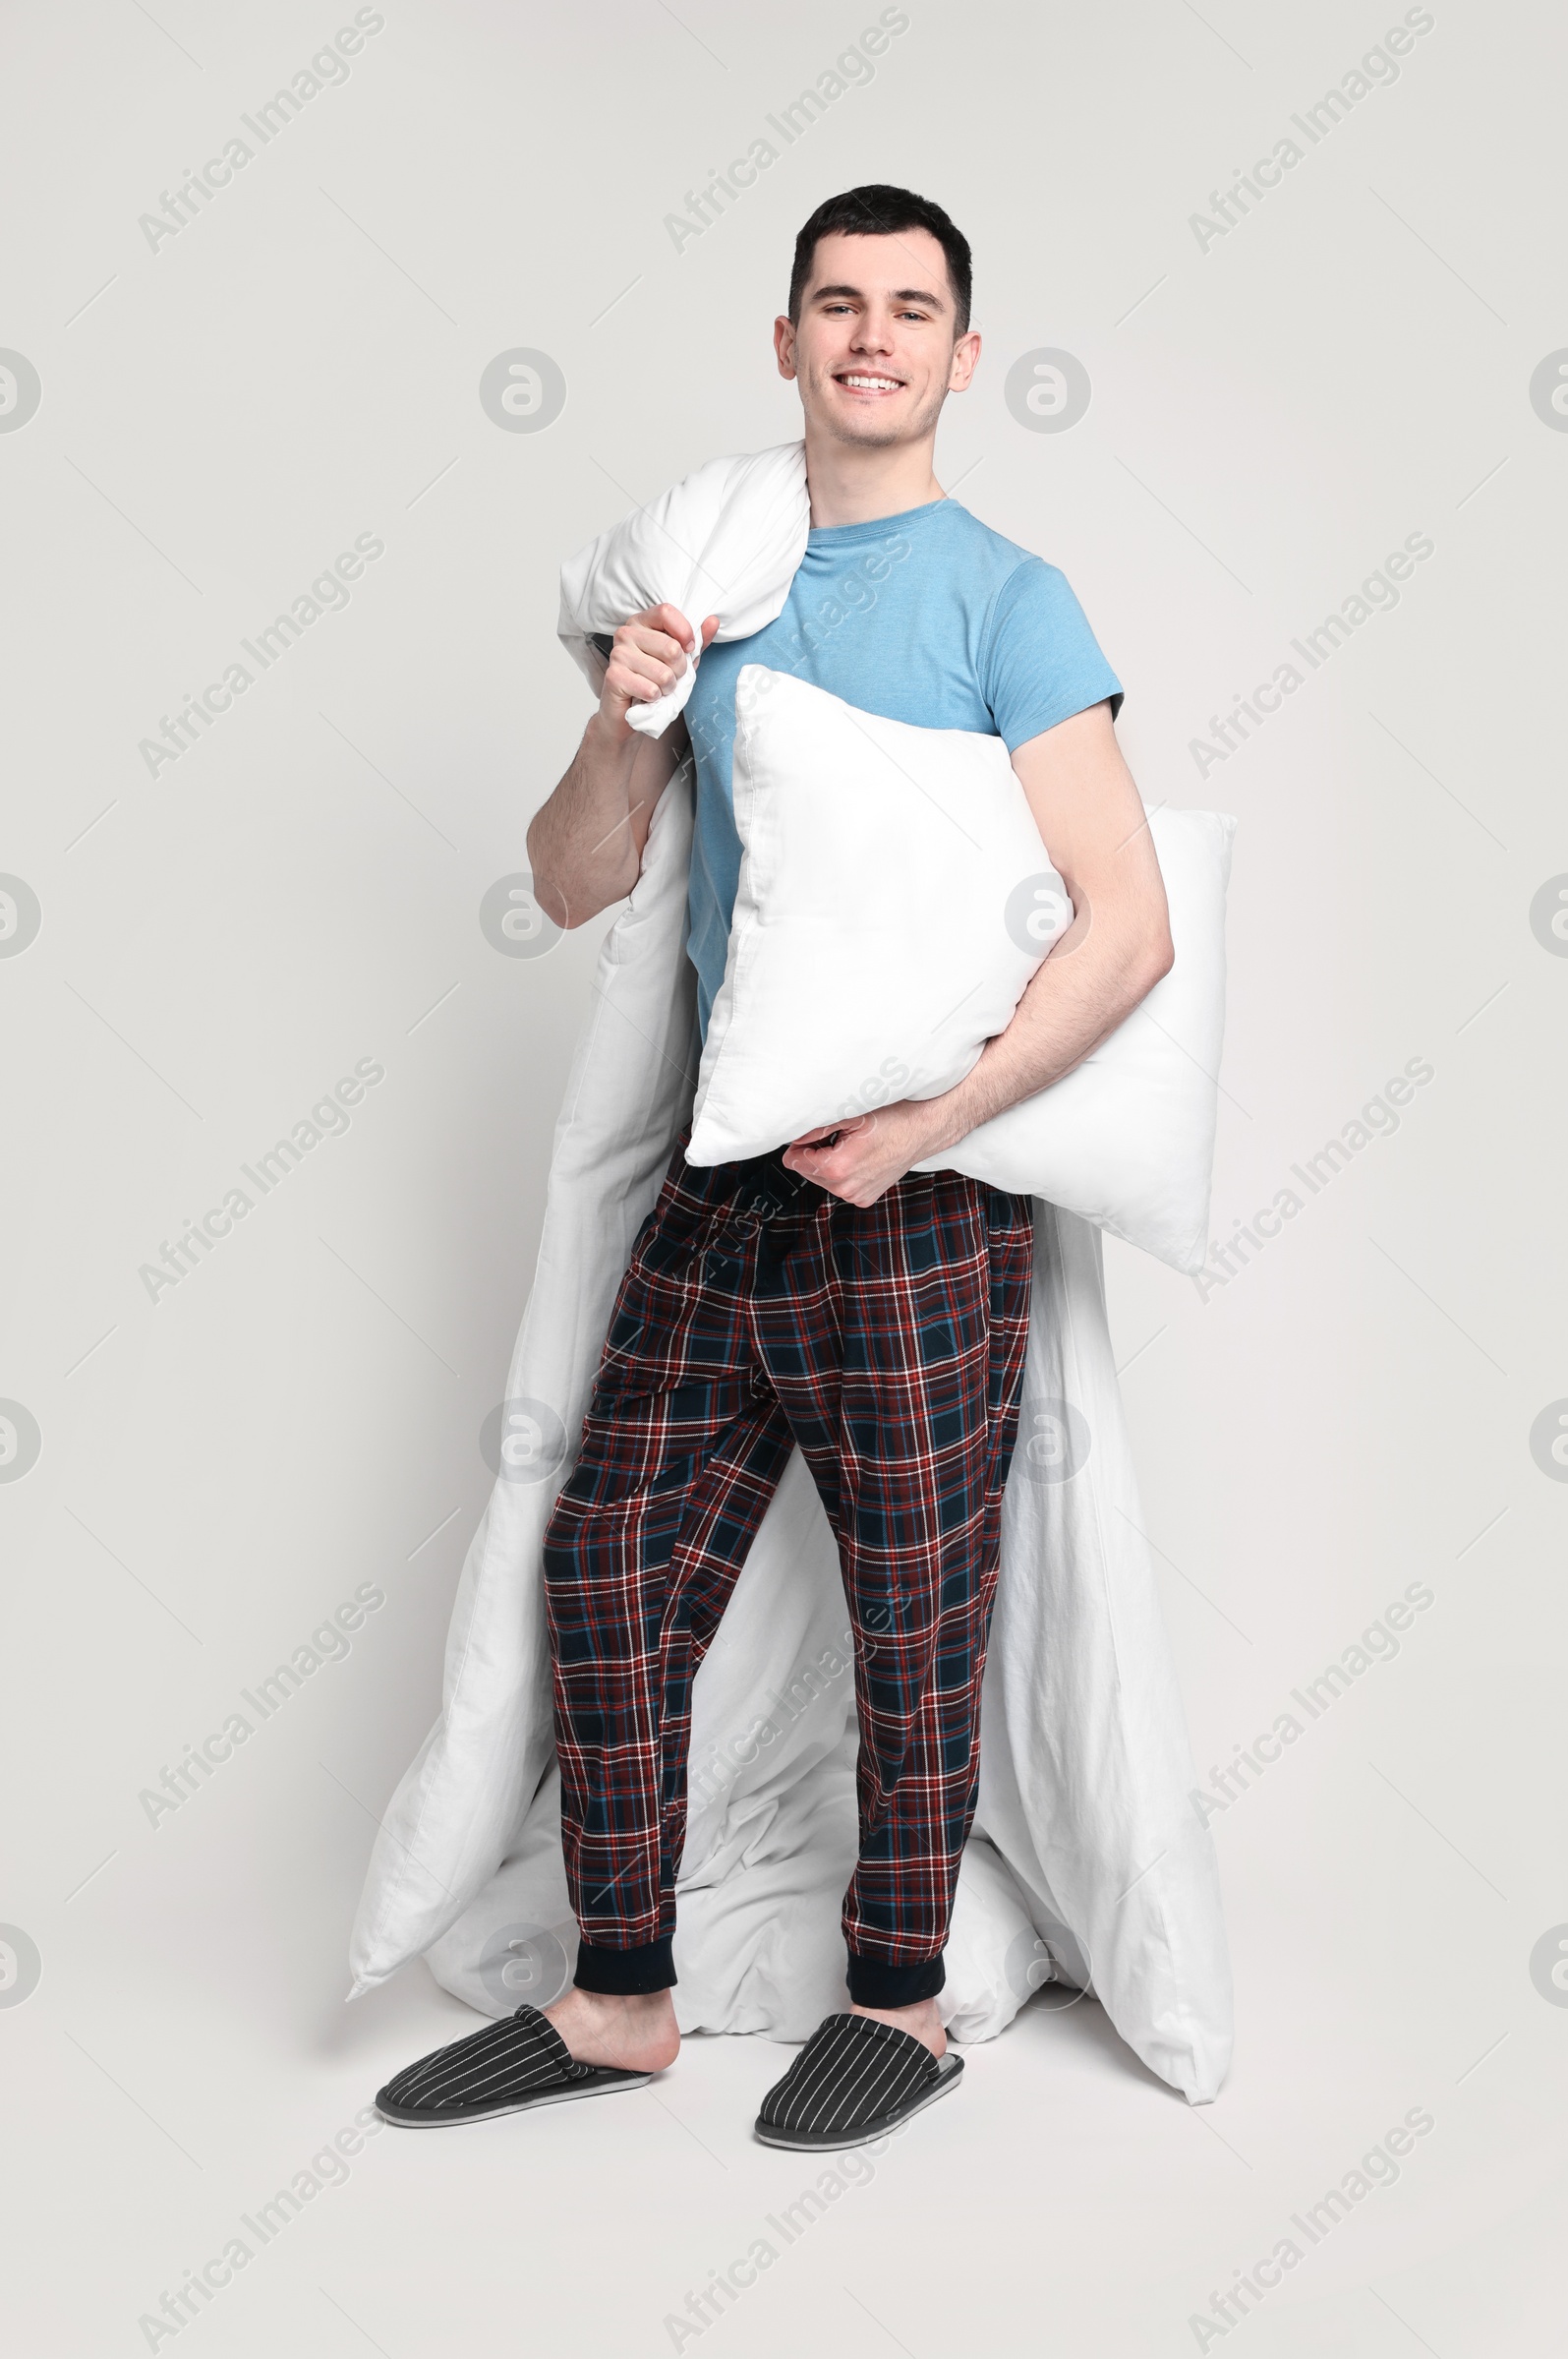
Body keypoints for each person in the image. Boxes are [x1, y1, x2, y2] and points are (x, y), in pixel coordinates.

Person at [375, 184, 1172, 2151]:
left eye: (912, 309)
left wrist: (931, 1124)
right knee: (605, 1575)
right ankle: (616, 1994)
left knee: (918, 1616)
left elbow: (1125, 920)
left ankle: (896, 2002)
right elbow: (571, 882)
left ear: (960, 358)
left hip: (916, 1198)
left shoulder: (1009, 598)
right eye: (838, 304)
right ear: (787, 341)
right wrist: (619, 705)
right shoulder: (716, 587)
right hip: (723, 1188)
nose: (872, 336)